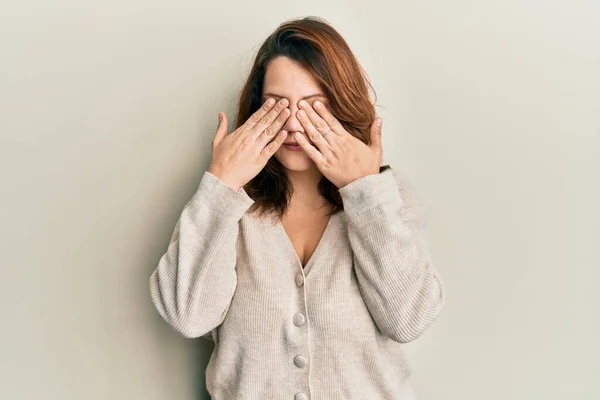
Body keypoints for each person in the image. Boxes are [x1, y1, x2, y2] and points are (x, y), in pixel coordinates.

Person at [149, 16, 445, 400]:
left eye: (313, 108)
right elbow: (186, 316)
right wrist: (220, 185)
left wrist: (364, 191)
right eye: (275, 105)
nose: (292, 125)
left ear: (340, 109)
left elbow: (408, 319)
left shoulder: (389, 197)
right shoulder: (232, 206)